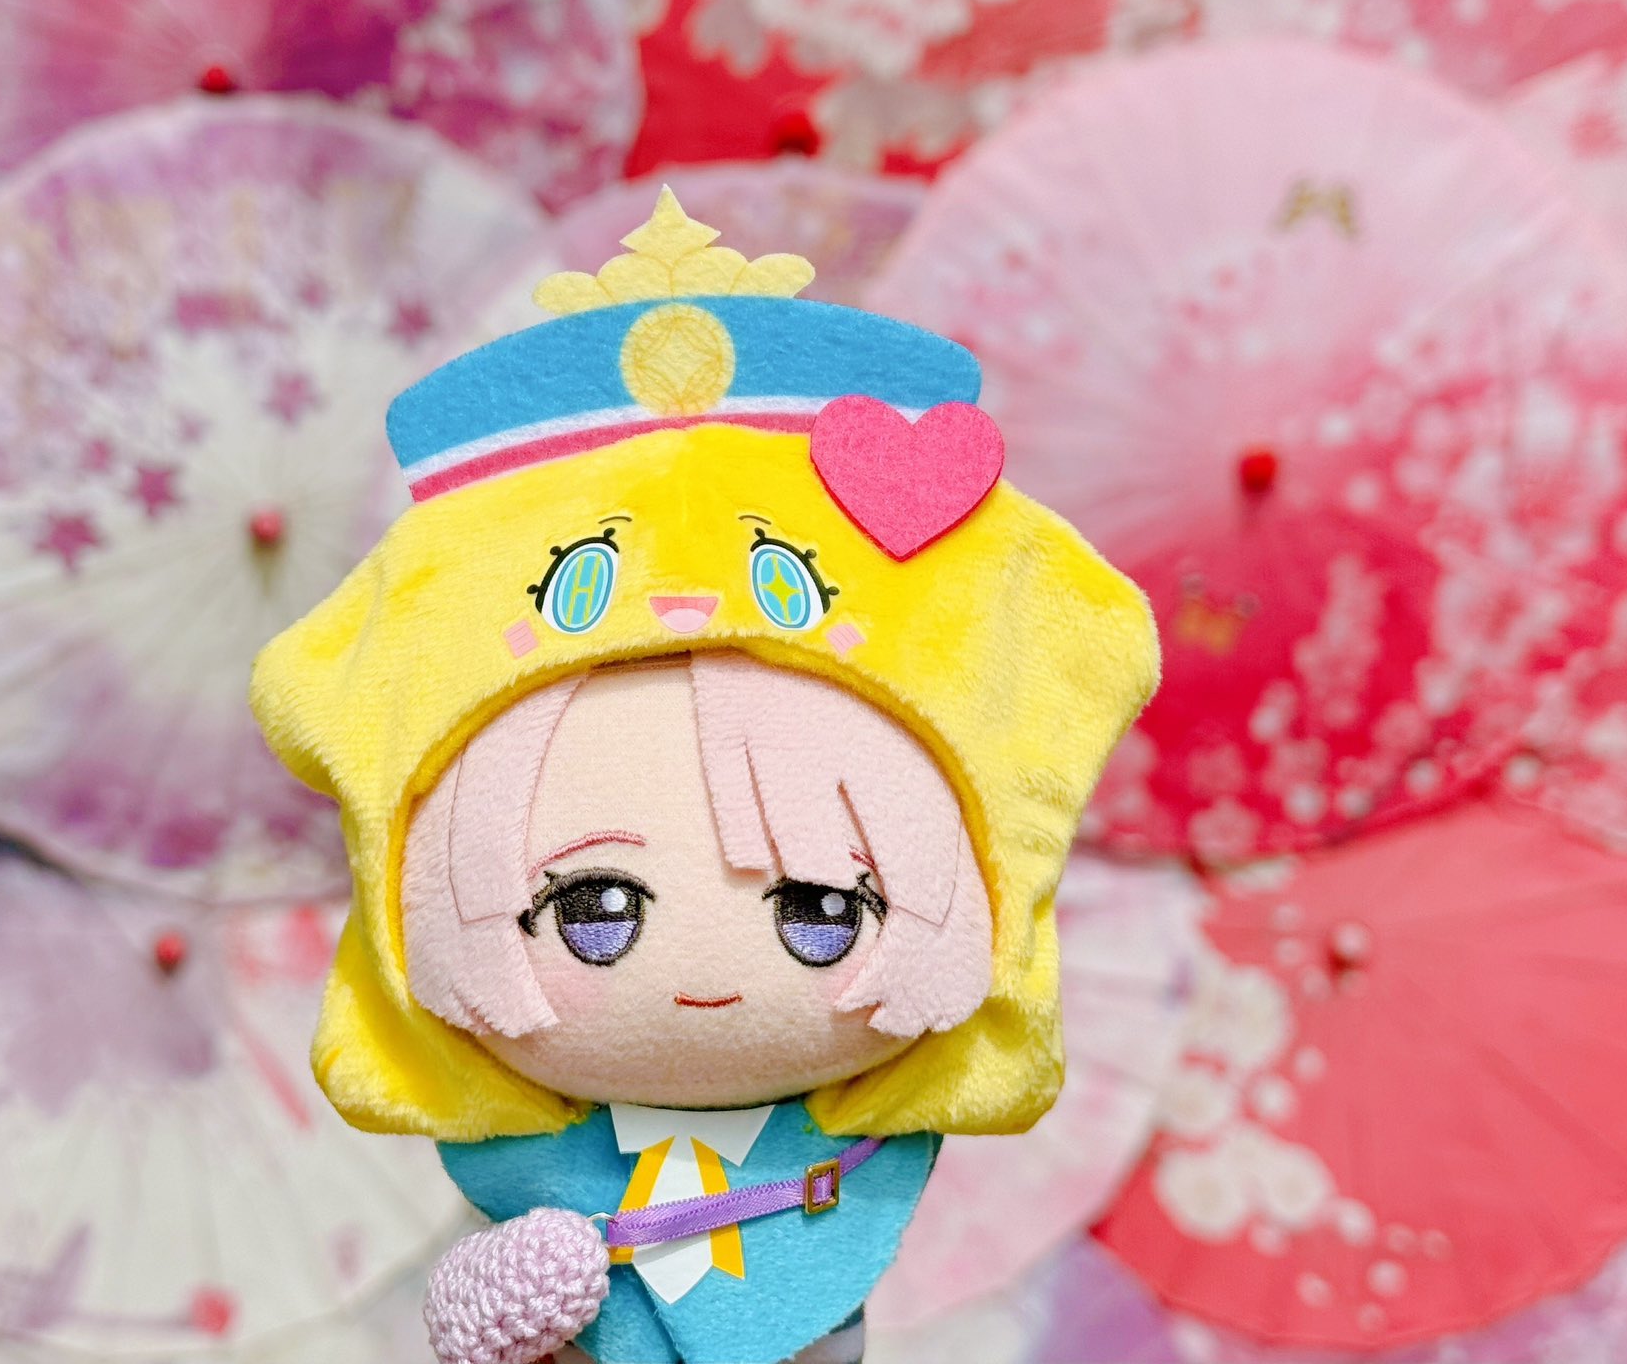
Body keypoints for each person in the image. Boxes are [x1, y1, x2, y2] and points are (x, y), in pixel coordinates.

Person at [251, 190, 1159, 1363]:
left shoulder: (847, 1174)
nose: (706, 985)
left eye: (820, 910)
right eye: (592, 909)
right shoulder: (526, 1179)